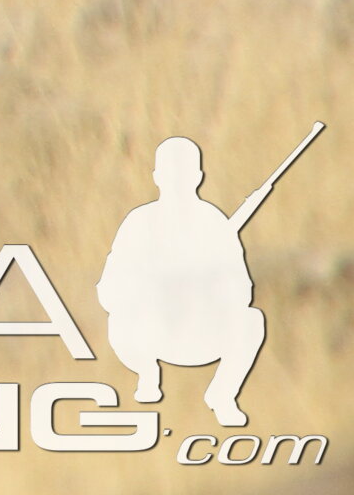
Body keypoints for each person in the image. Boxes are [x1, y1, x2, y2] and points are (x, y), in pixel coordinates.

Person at [106, 133, 283, 430]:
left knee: (253, 321)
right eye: (171, 173)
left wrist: (207, 283)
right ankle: (147, 375)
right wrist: (153, 287)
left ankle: (223, 394)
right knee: (124, 319)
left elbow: (243, 289)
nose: (177, 180)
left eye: (185, 173)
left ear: (198, 176)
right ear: (157, 176)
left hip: (201, 330)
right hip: (150, 334)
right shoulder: (139, 222)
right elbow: (109, 288)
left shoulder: (214, 223)